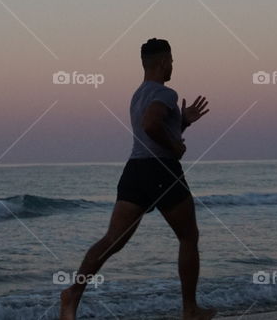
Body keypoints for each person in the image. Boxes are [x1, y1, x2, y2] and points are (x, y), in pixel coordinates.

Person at [60, 38, 216, 320]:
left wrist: (182, 122)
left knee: (112, 240)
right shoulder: (166, 93)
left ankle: (73, 294)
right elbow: (151, 125)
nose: (173, 66)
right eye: (171, 60)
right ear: (163, 62)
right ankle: (190, 309)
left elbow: (151, 129)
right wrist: (175, 146)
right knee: (188, 236)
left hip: (135, 171)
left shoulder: (137, 95)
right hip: (161, 170)